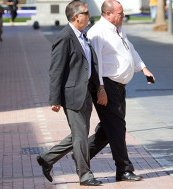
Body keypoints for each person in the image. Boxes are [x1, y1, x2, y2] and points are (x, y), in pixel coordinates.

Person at [86, 0, 155, 182]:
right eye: (120, 13)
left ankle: (81, 154)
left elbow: (129, 49)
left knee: (108, 130)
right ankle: (124, 170)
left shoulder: (118, 29)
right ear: (108, 14)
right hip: (106, 86)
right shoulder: (97, 33)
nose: (123, 15)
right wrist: (100, 88)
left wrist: (143, 69)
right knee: (117, 129)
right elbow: (96, 64)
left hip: (118, 87)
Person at [36, 1, 102, 186]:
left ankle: (47, 158)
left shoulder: (83, 36)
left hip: (86, 93)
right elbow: (56, 70)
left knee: (78, 134)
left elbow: (89, 65)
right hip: (73, 94)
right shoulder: (64, 37)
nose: (89, 16)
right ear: (76, 16)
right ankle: (85, 175)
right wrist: (54, 99)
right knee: (80, 135)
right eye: (86, 13)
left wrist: (98, 88)